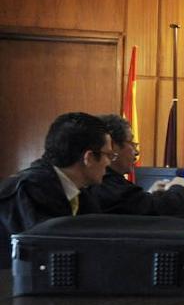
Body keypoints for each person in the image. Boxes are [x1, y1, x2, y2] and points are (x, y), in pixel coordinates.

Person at [0, 112, 114, 267]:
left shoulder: (79, 191)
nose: (109, 163)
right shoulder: (29, 191)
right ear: (88, 157)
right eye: (108, 155)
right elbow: (43, 260)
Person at [94, 114, 184, 216]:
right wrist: (179, 188)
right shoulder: (109, 186)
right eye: (131, 143)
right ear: (113, 147)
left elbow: (133, 208)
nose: (136, 152)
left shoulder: (103, 183)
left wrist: (148, 195)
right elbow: (165, 210)